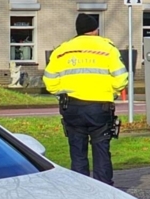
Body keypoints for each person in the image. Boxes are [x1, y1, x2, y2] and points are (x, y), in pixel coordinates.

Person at [43, 13, 129, 185]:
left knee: (77, 153)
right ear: (95, 30)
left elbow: (49, 81)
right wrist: (111, 92)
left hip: (72, 107)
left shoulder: (62, 50)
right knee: (101, 149)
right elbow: (121, 78)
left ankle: (80, 189)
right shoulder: (107, 48)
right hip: (100, 107)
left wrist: (64, 92)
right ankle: (104, 189)